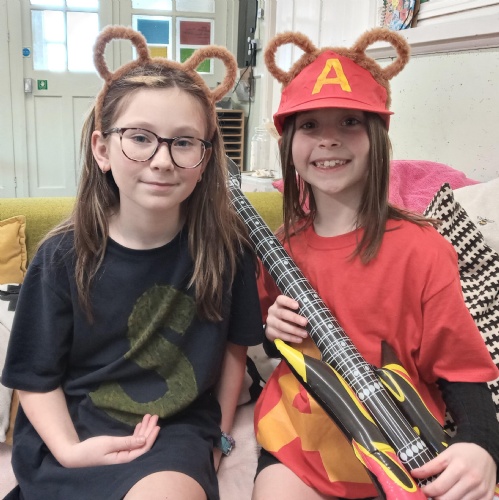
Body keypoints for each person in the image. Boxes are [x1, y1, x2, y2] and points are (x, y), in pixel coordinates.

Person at [1, 26, 263, 500]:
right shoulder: (61, 256)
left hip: (174, 434)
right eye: (140, 138)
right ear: (102, 150)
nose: (162, 160)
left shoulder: (229, 250)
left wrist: (220, 438)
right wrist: (69, 451)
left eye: (184, 142)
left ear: (205, 159)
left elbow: (234, 351)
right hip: (74, 433)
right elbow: (35, 377)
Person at [252, 29, 499, 500]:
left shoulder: (423, 249)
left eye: (349, 122)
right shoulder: (280, 246)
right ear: (288, 143)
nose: (329, 140)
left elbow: (461, 368)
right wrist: (272, 327)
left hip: (402, 442)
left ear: (378, 137)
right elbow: (270, 335)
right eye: (310, 125)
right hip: (299, 438)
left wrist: (481, 445)